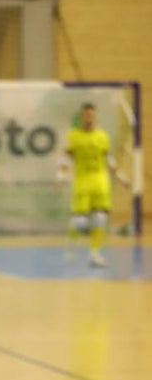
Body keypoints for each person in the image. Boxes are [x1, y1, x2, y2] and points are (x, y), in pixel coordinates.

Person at [58, 102, 129, 268]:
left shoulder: (102, 136)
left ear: (95, 116)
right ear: (82, 116)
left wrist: (121, 177)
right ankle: (71, 243)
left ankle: (95, 254)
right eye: (86, 114)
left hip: (100, 183)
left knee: (100, 219)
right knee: (80, 222)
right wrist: (60, 176)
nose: (89, 117)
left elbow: (108, 159)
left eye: (92, 114)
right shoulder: (74, 136)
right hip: (82, 182)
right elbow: (66, 158)